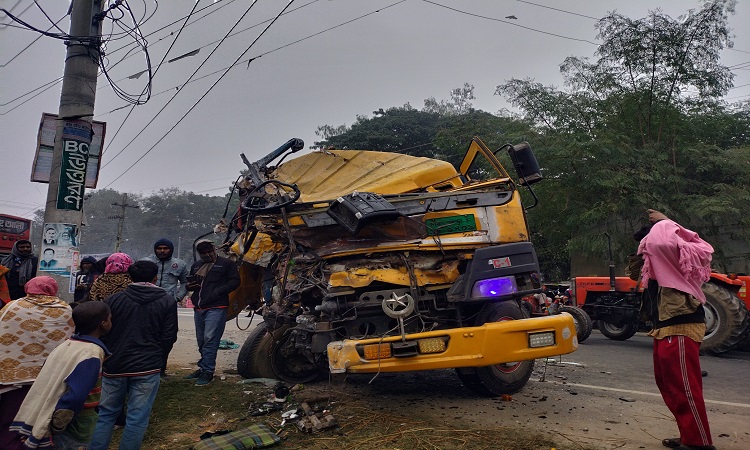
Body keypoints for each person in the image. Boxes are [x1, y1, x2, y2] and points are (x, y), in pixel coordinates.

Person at [637, 209, 716, 450]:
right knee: (668, 383)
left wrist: (665, 221)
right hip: (664, 325)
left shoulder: (681, 253)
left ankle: (698, 442)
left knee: (684, 386)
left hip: (681, 324)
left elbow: (661, 240)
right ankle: (688, 435)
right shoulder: (660, 263)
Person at [89, 261, 178, 450]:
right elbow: (169, 336)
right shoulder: (167, 301)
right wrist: (158, 358)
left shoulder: (114, 300)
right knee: (137, 417)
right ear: (155, 278)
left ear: (130, 277)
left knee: (105, 414)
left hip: (115, 365)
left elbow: (104, 331)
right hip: (148, 366)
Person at [10, 302, 112, 449]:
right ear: (103, 324)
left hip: (55, 409)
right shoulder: (92, 354)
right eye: (110, 319)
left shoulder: (66, 344)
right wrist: (60, 423)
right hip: (78, 419)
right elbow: (77, 395)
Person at [0, 276, 74, 450]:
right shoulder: (64, 309)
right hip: (48, 375)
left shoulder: (12, 307)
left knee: (10, 415)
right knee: (41, 416)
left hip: (14, 376)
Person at [184, 240, 240, 386]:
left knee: (210, 338)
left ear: (214, 250)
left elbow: (235, 282)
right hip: (199, 307)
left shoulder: (226, 264)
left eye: (210, 252)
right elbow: (191, 284)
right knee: (201, 340)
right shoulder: (196, 266)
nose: (208, 255)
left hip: (217, 306)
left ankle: (208, 371)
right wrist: (189, 285)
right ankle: (204, 367)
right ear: (200, 254)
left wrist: (218, 291)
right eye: (204, 253)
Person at [141, 238, 188, 378]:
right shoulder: (145, 262)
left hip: (168, 306)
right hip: (147, 304)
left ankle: (161, 369)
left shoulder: (179, 264)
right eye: (159, 248)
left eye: (165, 248)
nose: (162, 251)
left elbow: (185, 282)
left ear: (171, 249)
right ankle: (145, 367)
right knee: (146, 335)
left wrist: (177, 298)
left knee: (168, 336)